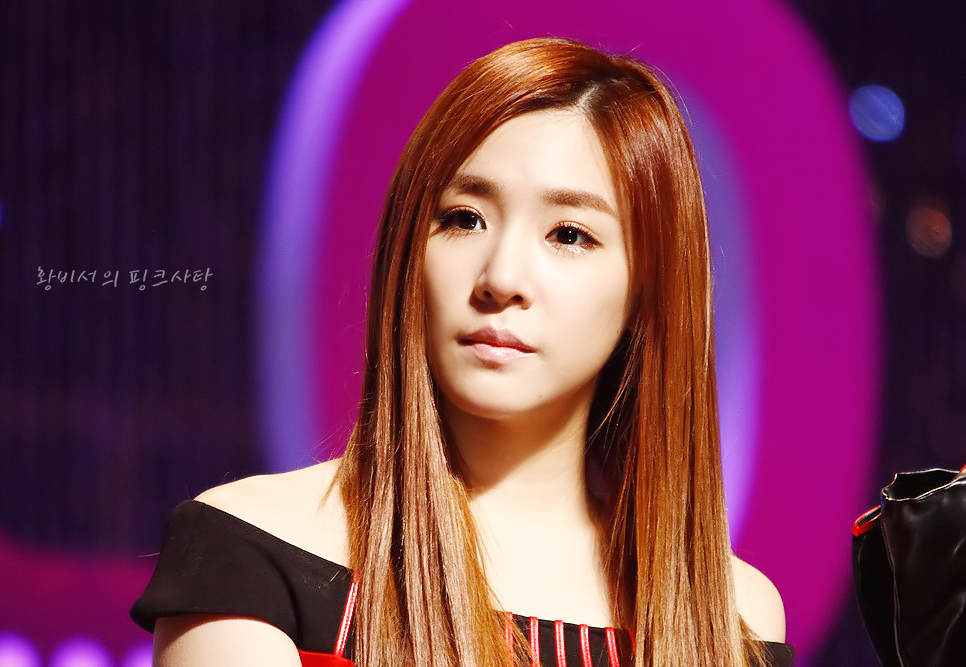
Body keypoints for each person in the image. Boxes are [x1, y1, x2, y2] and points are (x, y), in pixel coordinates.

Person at [132, 37, 791, 666]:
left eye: (569, 234)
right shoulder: (252, 549)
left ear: (647, 291)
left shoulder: (734, 614)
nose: (501, 277)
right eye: (464, 218)